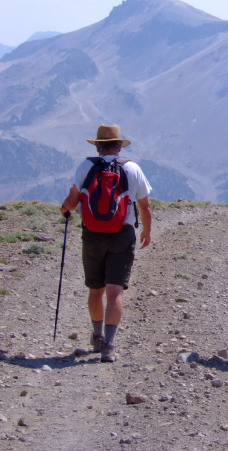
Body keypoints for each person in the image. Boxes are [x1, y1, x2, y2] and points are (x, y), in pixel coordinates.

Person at [60, 124, 152, 362]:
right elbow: (145, 206)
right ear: (119, 146)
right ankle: (110, 345)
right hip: (122, 233)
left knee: (95, 290)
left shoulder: (86, 167)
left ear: (98, 146)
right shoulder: (132, 168)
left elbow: (73, 200)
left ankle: (96, 337)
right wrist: (147, 232)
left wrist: (65, 210)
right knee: (114, 291)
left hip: (93, 234)